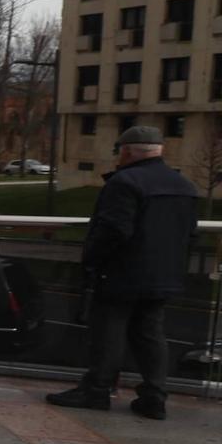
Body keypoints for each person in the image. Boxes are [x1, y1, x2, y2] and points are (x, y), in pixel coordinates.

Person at [48, 125, 199, 420]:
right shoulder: (183, 185)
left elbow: (114, 230)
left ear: (128, 152)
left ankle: (97, 390)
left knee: (109, 332)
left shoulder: (125, 182)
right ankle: (154, 396)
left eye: (119, 152)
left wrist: (92, 260)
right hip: (165, 275)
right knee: (151, 334)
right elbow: (190, 235)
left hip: (123, 272)